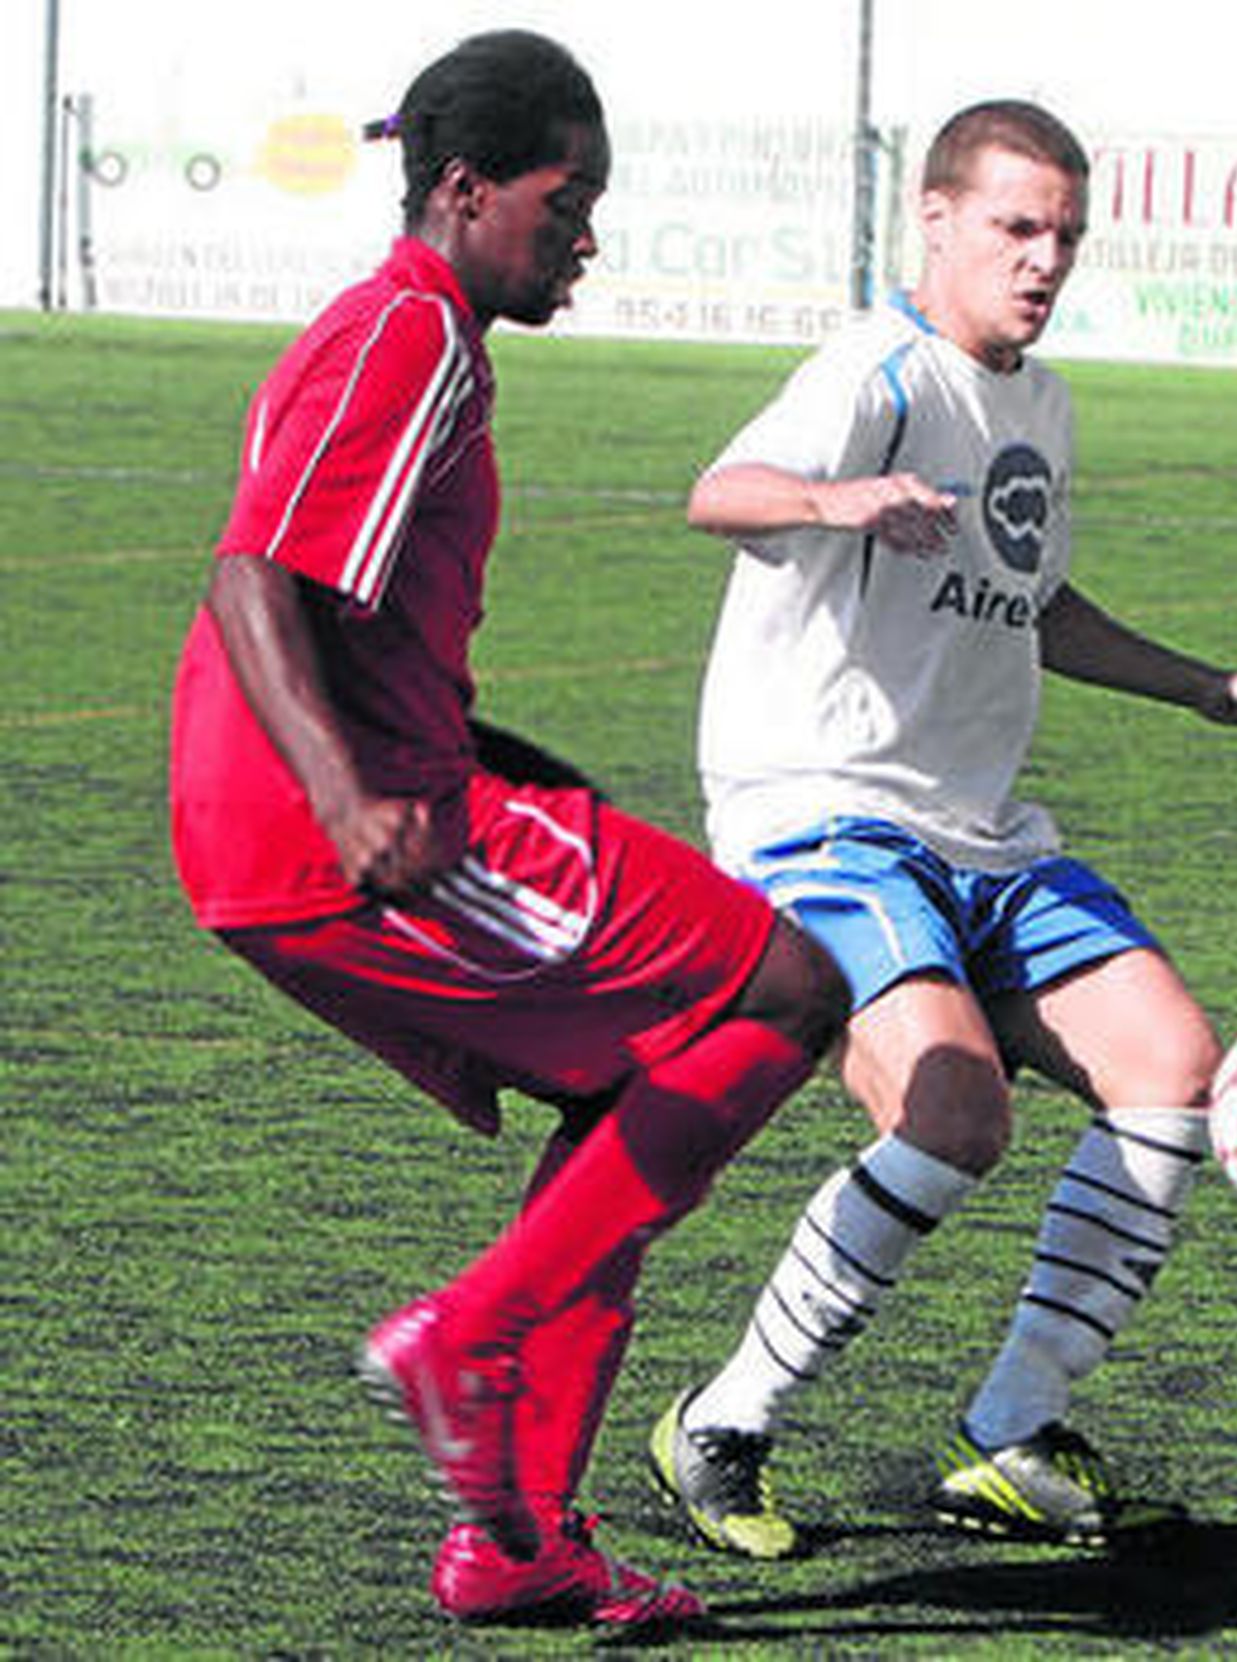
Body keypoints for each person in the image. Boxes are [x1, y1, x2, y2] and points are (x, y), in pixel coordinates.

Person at [168, 30, 846, 1630]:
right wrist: (351, 796)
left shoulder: (418, 333)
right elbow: (253, 577)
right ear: (465, 191)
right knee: (788, 990)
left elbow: (359, 614)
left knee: (635, 1079)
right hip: (329, 823)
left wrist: (517, 767)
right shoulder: (408, 333)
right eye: (568, 199)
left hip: (330, 809)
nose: (587, 236)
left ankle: (516, 1535)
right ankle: (473, 1330)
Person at [647, 98, 1237, 1559]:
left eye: (1067, 237)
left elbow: (1035, 602)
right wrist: (842, 497)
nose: (1045, 261)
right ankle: (724, 1417)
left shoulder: (1040, 402)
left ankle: (1010, 1428)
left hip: (985, 836)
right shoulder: (876, 367)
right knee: (955, 1110)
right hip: (823, 817)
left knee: (1172, 1070)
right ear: (941, 219)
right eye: (1018, 228)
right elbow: (721, 492)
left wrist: (1208, 689)